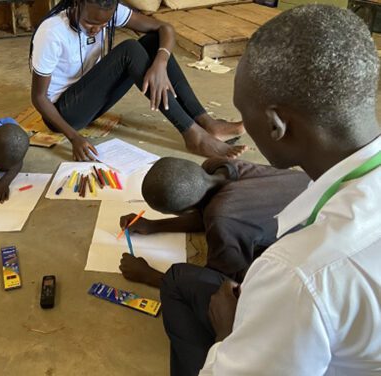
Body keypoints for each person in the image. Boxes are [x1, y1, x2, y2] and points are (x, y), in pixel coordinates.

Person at [161, 5, 381, 375]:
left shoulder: (297, 274)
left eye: (243, 114)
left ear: (276, 124)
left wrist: (227, 335)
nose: (241, 126)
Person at [30, 0, 248, 162]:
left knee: (154, 42)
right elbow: (39, 98)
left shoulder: (111, 8)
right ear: (77, 3)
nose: (96, 29)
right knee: (130, 50)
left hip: (91, 100)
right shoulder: (51, 32)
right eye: (89, 23)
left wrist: (160, 63)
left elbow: (165, 29)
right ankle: (193, 134)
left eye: (103, 24)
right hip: (63, 114)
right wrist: (74, 138)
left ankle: (207, 123)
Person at [118, 157, 309, 287]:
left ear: (185, 211)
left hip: (316, 236)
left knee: (246, 281)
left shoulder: (222, 220)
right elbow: (206, 212)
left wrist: (148, 275)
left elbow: (217, 284)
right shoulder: (219, 166)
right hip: (320, 194)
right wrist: (153, 225)